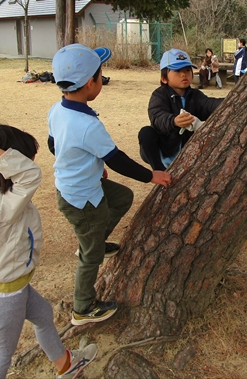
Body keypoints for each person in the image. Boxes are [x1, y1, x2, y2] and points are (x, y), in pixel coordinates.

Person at [0, 124, 98, 379]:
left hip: (10, 286)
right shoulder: (3, 206)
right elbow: (30, 174)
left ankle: (65, 365)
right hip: (4, 297)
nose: (28, 162)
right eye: (20, 159)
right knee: (1, 354)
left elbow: (4, 170)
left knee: (43, 314)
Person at [47, 44, 172, 326]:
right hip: (83, 200)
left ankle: (95, 241)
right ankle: (83, 307)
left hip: (72, 187)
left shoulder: (58, 110)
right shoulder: (88, 126)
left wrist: (88, 163)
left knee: (121, 197)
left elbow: (54, 144)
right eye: (101, 75)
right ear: (91, 82)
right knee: (89, 256)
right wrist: (153, 175)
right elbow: (118, 161)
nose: (102, 79)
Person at [138, 48, 224, 171]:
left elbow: (209, 105)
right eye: (177, 71)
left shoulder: (195, 95)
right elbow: (157, 117)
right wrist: (174, 121)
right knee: (146, 132)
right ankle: (159, 171)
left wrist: (234, 99)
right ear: (164, 78)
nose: (184, 74)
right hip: (164, 148)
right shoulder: (159, 95)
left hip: (187, 150)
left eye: (187, 70)